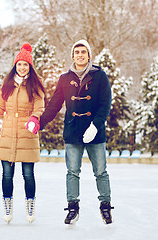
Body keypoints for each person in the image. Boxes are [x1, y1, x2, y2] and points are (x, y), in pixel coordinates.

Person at [39, 40, 114, 225]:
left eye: (83, 52)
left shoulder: (100, 76)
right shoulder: (65, 78)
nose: (80, 55)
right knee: (72, 172)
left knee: (101, 171)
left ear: (89, 55)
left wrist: (96, 126)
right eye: (77, 52)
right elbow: (55, 104)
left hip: (95, 133)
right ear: (72, 56)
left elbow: (105, 104)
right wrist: (40, 122)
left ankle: (105, 206)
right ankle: (73, 208)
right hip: (72, 131)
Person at [0, 43, 45, 224]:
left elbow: (39, 107)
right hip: (8, 132)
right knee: (7, 174)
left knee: (28, 174)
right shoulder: (7, 84)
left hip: (27, 132)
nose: (22, 67)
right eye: (19, 64)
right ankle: (8, 205)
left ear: (30, 67)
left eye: (25, 65)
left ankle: (30, 205)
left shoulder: (35, 85)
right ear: (15, 66)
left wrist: (34, 118)